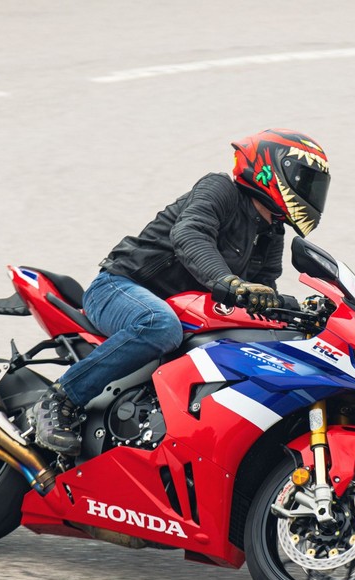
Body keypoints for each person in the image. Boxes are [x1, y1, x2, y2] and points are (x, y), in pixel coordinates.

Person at [30, 128, 331, 455]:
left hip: (177, 309)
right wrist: (228, 282)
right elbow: (190, 235)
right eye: (305, 179)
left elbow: (261, 298)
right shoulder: (220, 190)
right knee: (160, 326)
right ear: (271, 168)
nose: (309, 192)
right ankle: (60, 399)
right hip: (120, 287)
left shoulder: (271, 234)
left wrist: (302, 313)